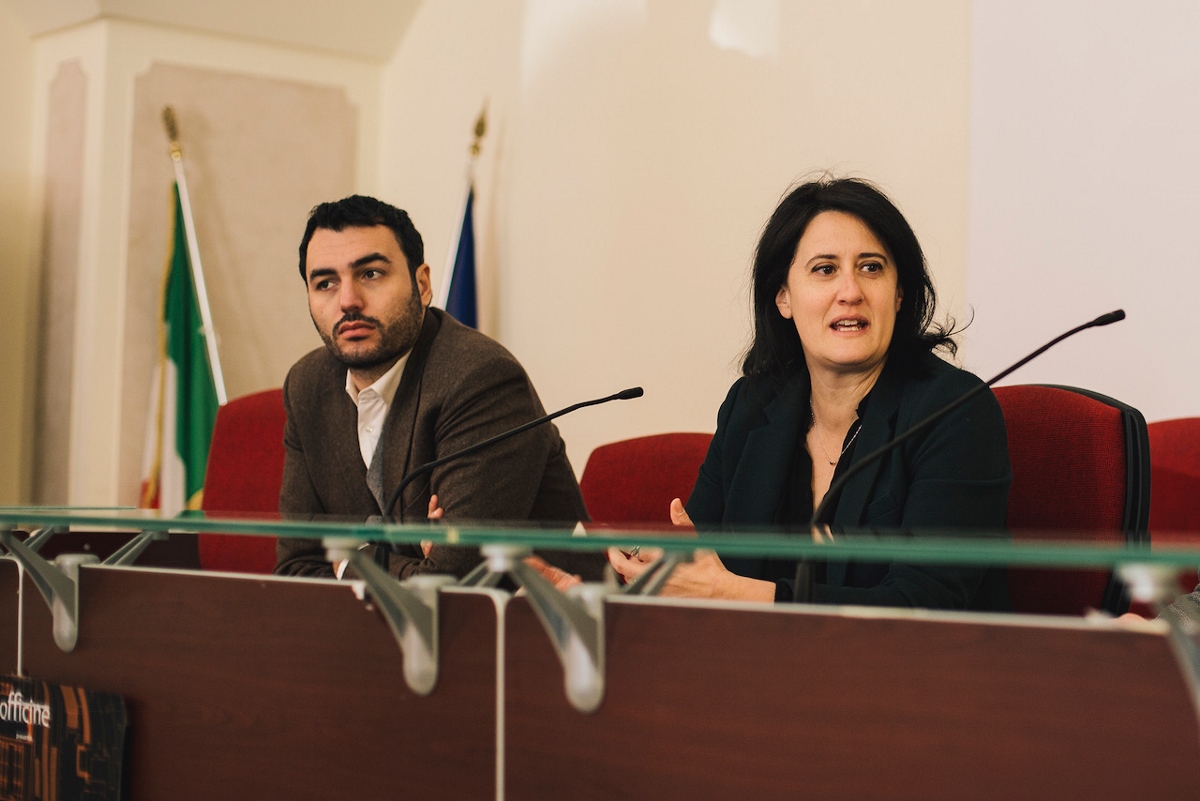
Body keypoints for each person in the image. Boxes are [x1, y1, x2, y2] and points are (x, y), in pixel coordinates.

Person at [609, 177, 1012, 608]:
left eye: (871, 267)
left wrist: (731, 592)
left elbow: (923, 605)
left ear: (898, 294)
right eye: (825, 269)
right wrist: (608, 586)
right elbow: (695, 572)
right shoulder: (751, 408)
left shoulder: (954, 413)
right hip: (757, 669)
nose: (851, 292)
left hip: (913, 671)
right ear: (783, 297)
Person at [274, 195, 599, 581]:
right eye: (325, 283)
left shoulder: (480, 378)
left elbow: (453, 582)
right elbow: (296, 567)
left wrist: (348, 561)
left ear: (422, 284)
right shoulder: (308, 385)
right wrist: (395, 565)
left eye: (371, 274)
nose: (348, 301)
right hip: (368, 632)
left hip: (533, 626)